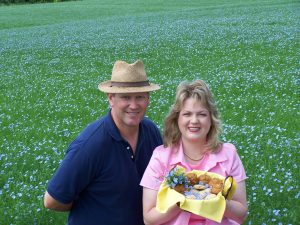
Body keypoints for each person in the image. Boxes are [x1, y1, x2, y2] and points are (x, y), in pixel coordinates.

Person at [44, 60, 163, 225]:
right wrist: (92, 208)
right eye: (126, 97)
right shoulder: (91, 145)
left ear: (148, 99)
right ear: (111, 99)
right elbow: (51, 200)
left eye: (140, 97)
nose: (134, 105)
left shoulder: (151, 131)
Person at [140, 80, 248, 225]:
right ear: (177, 118)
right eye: (187, 114)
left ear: (211, 118)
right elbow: (149, 218)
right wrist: (184, 202)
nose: (194, 120)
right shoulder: (161, 157)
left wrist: (216, 201)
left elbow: (241, 214)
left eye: (202, 114)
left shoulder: (229, 154)